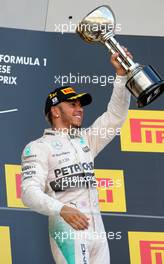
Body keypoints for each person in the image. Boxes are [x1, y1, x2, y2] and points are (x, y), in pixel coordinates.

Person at [21, 49, 132, 264]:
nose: (79, 109)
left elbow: (115, 116)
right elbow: (28, 193)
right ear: (55, 111)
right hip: (68, 230)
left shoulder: (86, 140)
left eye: (80, 105)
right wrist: (61, 209)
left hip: (97, 230)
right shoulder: (38, 147)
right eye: (72, 104)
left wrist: (121, 77)